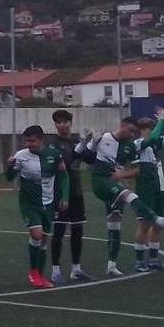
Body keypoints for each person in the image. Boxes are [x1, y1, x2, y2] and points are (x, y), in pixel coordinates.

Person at [84, 109, 164, 274]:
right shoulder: (107, 138)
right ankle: (158, 220)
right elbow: (87, 155)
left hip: (116, 185)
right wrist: (90, 141)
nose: (133, 134)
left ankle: (111, 265)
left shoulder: (130, 145)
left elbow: (136, 169)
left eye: (135, 132)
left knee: (115, 225)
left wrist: (122, 175)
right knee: (130, 196)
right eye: (132, 130)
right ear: (123, 125)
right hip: (102, 182)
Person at [5, 126, 66, 289]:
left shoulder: (54, 155)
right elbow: (10, 177)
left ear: (41, 140)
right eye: (26, 141)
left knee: (44, 239)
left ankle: (40, 275)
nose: (28, 144)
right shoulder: (21, 156)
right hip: (29, 204)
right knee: (37, 235)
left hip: (48, 203)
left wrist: (65, 196)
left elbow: (63, 175)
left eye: (32, 141)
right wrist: (10, 166)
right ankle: (33, 272)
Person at [131, 111, 164, 271]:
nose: (151, 132)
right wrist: (160, 122)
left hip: (160, 186)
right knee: (145, 224)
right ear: (141, 130)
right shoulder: (138, 143)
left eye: (151, 129)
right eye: (147, 129)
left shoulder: (156, 142)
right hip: (146, 187)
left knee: (158, 224)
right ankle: (139, 261)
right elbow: (151, 139)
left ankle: (153, 259)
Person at [48, 110, 91, 283]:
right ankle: (55, 270)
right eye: (59, 122)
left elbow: (90, 160)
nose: (63, 125)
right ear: (55, 125)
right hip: (60, 193)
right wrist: (79, 148)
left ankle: (76, 269)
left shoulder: (75, 141)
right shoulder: (53, 145)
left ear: (70, 123)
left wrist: (91, 143)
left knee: (77, 229)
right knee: (59, 230)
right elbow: (65, 162)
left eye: (65, 121)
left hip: (77, 192)